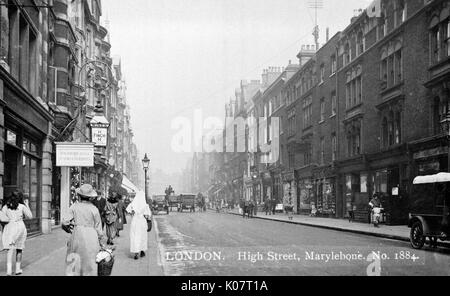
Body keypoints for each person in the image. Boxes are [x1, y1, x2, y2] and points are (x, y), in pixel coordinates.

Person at [63, 184, 104, 276]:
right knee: (90, 260)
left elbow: (65, 222)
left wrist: (70, 230)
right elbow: (98, 227)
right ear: (90, 198)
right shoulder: (94, 209)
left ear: (79, 196)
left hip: (77, 234)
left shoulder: (74, 207)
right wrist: (101, 241)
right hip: (91, 235)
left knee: (74, 259)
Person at [1, 191, 32, 276]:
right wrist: (27, 205)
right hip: (20, 227)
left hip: (10, 227)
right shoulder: (21, 206)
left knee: (10, 249)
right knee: (19, 249)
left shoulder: (6, 206)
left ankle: (9, 270)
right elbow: (30, 216)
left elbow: (2, 216)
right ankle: (18, 269)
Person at [126, 191, 152, 260]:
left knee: (135, 237)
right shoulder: (145, 205)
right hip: (142, 222)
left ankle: (136, 253)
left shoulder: (132, 204)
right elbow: (148, 216)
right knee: (142, 236)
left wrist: (133, 214)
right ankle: (142, 251)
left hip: (135, 221)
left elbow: (128, 211)